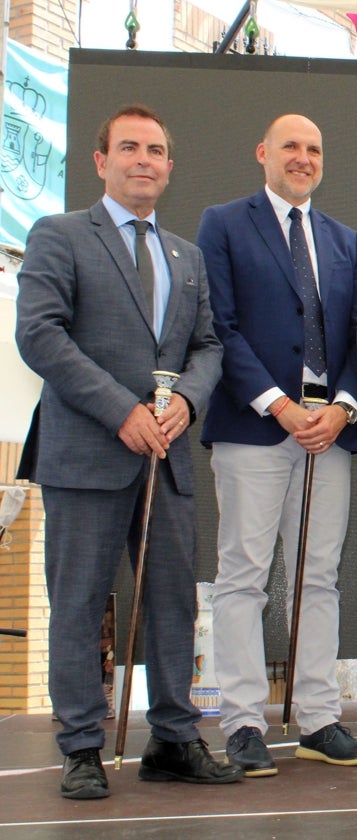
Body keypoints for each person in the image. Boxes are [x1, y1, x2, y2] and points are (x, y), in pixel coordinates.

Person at [15, 104, 241, 799]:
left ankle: (174, 738)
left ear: (170, 167)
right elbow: (41, 335)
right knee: (79, 605)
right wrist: (122, 411)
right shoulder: (58, 236)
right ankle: (81, 745)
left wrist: (185, 405)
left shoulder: (187, 255)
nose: (144, 159)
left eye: (157, 150)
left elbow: (206, 346)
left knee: (172, 602)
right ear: (101, 161)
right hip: (86, 453)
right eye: (130, 148)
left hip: (166, 456)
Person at [198, 114, 357, 776]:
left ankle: (319, 718)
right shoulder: (223, 223)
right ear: (263, 152)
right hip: (254, 425)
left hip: (329, 432)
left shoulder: (344, 240)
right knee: (243, 573)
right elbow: (220, 325)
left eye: (314, 149)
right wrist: (278, 405)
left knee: (318, 576)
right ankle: (242, 723)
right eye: (291, 147)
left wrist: (344, 408)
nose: (303, 158)